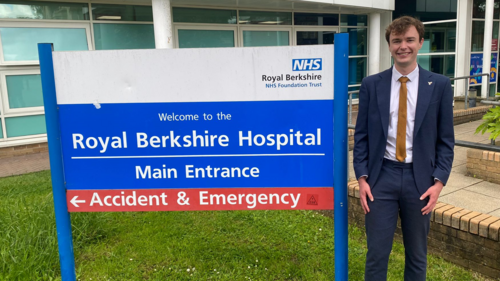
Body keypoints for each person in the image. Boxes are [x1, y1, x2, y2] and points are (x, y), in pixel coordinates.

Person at [353, 16, 454, 281]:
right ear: (389, 45)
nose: (403, 46)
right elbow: (361, 135)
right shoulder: (371, 85)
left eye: (409, 40)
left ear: (420, 42)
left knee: (417, 255)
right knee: (376, 254)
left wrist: (439, 182)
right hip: (380, 179)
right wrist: (362, 177)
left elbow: (446, 140)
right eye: (397, 41)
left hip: (419, 181)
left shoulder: (440, 86)